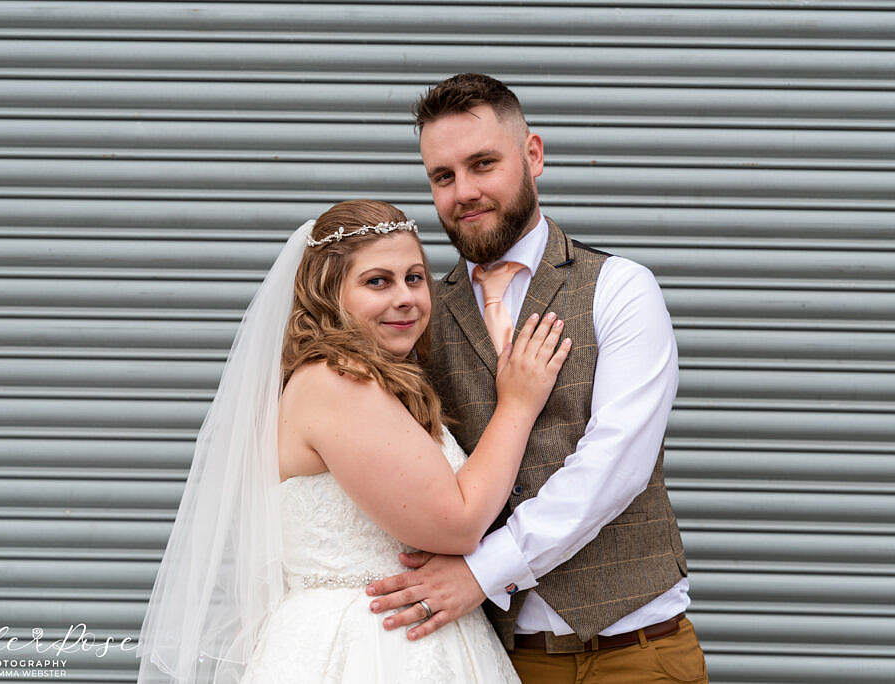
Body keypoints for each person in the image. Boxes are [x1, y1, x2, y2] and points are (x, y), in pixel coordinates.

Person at [136, 198, 571, 683]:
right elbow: (460, 523)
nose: (406, 296)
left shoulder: (373, 380)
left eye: (414, 277)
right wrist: (518, 404)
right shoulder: (337, 381)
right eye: (377, 281)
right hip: (364, 647)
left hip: (411, 636)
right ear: (329, 293)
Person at [365, 74, 709, 683]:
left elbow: (617, 464)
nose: (463, 192)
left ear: (533, 156)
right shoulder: (419, 316)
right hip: (496, 660)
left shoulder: (619, 287)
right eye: (442, 177)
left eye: (482, 164)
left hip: (636, 650)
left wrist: (481, 571)